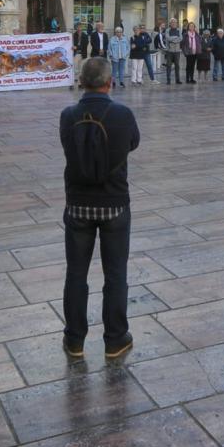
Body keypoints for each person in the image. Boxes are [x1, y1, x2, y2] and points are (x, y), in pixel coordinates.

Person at [58, 57, 141, 359]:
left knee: (76, 274)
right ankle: (115, 338)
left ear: (81, 82)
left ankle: (75, 339)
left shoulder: (68, 115)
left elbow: (68, 146)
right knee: (116, 274)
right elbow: (133, 143)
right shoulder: (122, 114)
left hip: (78, 204)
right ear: (109, 83)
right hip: (114, 203)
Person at [163, 20, 183, 84]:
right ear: (170, 24)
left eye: (175, 22)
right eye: (172, 22)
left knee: (177, 65)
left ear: (176, 24)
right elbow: (168, 38)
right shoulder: (167, 30)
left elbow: (181, 38)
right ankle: (168, 80)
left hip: (177, 51)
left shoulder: (179, 30)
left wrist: (173, 39)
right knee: (169, 65)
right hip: (169, 51)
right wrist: (175, 38)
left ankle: (178, 80)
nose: (174, 23)